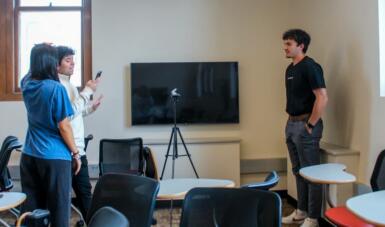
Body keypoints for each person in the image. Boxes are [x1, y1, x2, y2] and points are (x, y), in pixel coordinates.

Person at [20, 43, 81, 227]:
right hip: (55, 158)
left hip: (30, 155)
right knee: (59, 210)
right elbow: (64, 127)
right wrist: (76, 153)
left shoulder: (27, 84)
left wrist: (39, 51)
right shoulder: (56, 89)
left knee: (31, 210)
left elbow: (30, 72)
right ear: (51, 64)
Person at [281, 29, 328, 227]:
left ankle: (313, 218)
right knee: (298, 171)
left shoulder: (311, 66)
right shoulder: (290, 69)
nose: (285, 47)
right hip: (291, 123)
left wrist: (310, 124)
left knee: (312, 174)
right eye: (285, 43)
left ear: (301, 45)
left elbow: (322, 97)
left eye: (289, 44)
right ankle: (301, 211)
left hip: (306, 125)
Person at [56, 45, 102, 219]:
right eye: (68, 60)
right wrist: (88, 91)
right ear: (56, 64)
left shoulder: (68, 84)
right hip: (69, 151)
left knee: (84, 194)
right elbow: (66, 115)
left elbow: (76, 112)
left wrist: (90, 108)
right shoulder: (58, 86)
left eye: (73, 60)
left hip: (77, 150)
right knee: (74, 196)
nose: (72, 64)